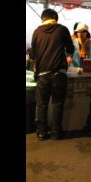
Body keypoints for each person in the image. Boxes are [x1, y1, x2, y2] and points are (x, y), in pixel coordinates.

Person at [29, 8, 74, 141]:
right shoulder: (62, 29)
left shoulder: (37, 32)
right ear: (55, 18)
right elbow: (70, 49)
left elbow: (33, 54)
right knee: (57, 104)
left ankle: (42, 132)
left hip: (42, 74)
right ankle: (55, 133)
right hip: (58, 74)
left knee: (41, 105)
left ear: (43, 19)